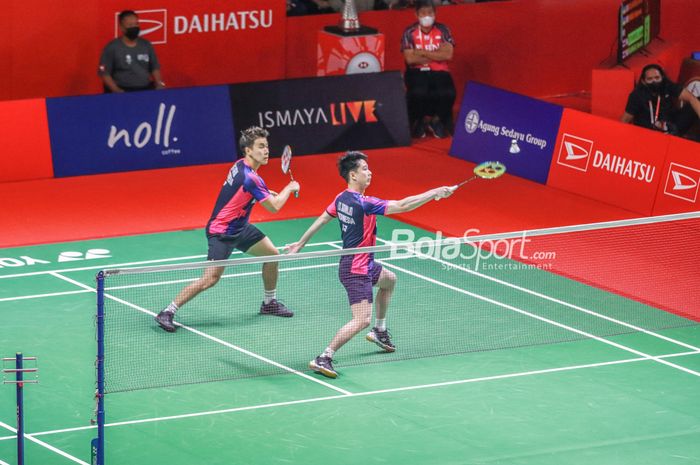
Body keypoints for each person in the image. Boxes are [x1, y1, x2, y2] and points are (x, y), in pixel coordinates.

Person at [286, 151, 453, 378]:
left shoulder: (341, 198)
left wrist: (301, 243)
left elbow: (324, 218)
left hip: (364, 263)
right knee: (361, 319)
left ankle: (380, 330)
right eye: (364, 169)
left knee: (389, 280)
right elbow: (403, 205)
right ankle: (324, 357)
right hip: (356, 269)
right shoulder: (364, 203)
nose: (369, 172)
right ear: (353, 175)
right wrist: (434, 192)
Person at [154, 126, 301, 332]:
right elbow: (274, 207)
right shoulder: (252, 178)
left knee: (272, 255)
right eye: (260, 147)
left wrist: (266, 192)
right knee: (210, 279)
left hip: (240, 228)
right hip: (222, 232)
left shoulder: (241, 166)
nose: (266, 151)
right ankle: (167, 312)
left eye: (266, 146)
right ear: (248, 150)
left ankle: (269, 303)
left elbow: (244, 192)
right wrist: (289, 188)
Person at [401, 0, 456, 139]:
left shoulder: (443, 30)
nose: (427, 16)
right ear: (416, 14)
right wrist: (437, 54)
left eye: (430, 13)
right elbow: (410, 59)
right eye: (423, 13)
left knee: (449, 92)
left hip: (440, 70)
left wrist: (422, 52)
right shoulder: (409, 32)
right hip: (417, 70)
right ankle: (419, 120)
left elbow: (448, 55)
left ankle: (436, 121)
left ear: (435, 13)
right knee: (418, 92)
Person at [621, 63, 700, 140]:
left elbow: (691, 98)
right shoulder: (637, 95)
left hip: (671, 127)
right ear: (643, 81)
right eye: (650, 79)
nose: (654, 81)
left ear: (662, 77)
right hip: (648, 133)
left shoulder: (667, 85)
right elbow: (625, 120)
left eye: (657, 77)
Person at [98, 10, 165, 93]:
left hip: (145, 89)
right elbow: (105, 73)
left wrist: (159, 84)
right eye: (130, 25)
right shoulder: (112, 47)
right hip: (123, 90)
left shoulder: (146, 45)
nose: (134, 27)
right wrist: (116, 90)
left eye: (136, 24)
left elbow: (155, 68)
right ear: (121, 28)